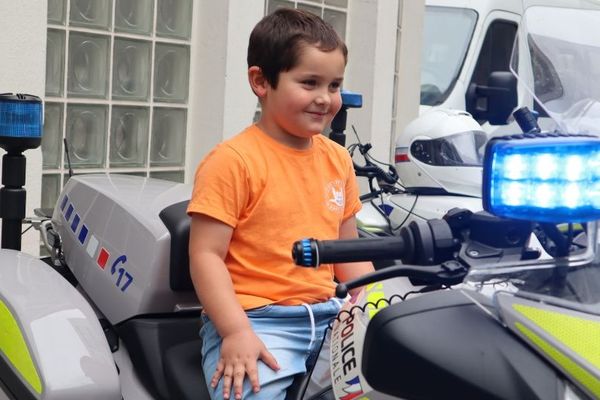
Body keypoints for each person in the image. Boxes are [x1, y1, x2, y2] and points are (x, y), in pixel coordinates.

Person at [187, 7, 374, 400]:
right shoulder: (233, 161)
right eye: (309, 83)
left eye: (334, 85)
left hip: (330, 318)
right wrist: (235, 331)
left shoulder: (337, 159)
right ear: (260, 81)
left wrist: (374, 303)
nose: (325, 99)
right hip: (257, 322)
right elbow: (205, 256)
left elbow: (349, 251)